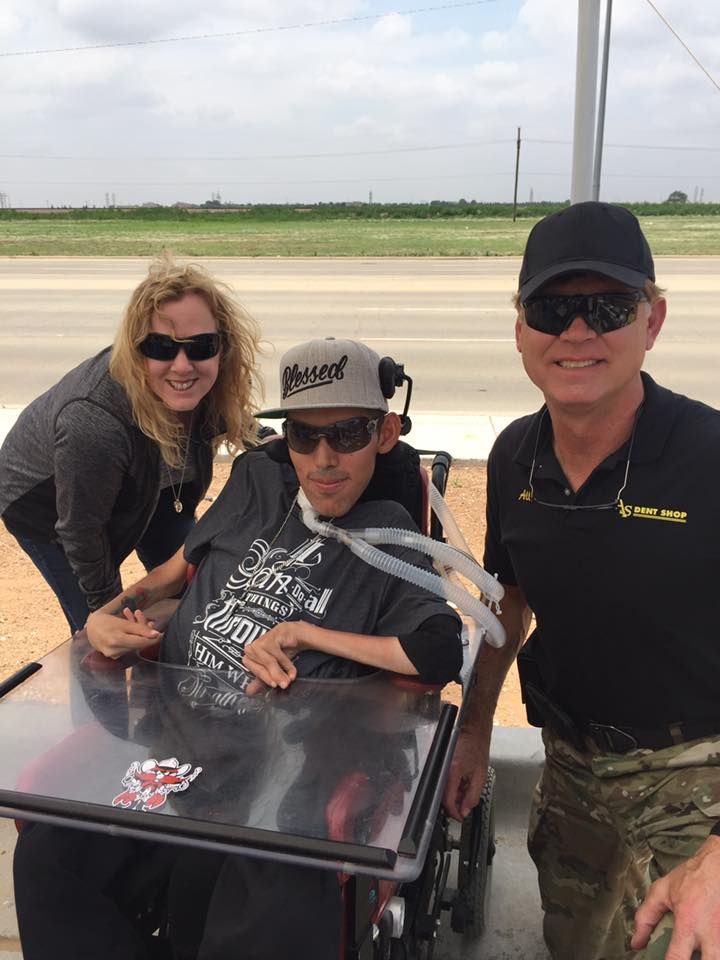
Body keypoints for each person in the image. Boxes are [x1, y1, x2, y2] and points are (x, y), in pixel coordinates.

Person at [14, 337, 463, 960]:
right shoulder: (256, 483)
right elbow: (178, 568)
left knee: (253, 910)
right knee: (52, 857)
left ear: (385, 434)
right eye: (304, 435)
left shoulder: (391, 535)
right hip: (176, 747)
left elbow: (439, 651)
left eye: (348, 434)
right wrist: (107, 617)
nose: (323, 459)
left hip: (278, 776)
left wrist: (303, 633)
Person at [443, 201, 720, 960]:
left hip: (698, 769)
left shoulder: (708, 457)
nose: (576, 331)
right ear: (521, 330)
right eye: (551, 309)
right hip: (571, 764)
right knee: (575, 943)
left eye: (607, 307)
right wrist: (474, 732)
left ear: (652, 321)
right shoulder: (514, 456)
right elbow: (508, 604)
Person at [0, 255, 260, 634]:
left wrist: (277, 442)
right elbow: (81, 533)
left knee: (196, 589)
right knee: (105, 634)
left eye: (202, 345)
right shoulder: (94, 421)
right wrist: (107, 615)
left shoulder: (209, 381)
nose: (183, 365)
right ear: (137, 351)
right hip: (46, 503)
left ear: (224, 348)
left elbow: (237, 422)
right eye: (160, 346)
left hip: (153, 485)